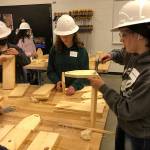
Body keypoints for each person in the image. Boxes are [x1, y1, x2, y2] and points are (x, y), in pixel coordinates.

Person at [88, 0, 150, 150]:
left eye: (124, 34)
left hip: (139, 135)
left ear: (139, 35)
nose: (121, 39)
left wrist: (103, 87)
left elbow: (127, 110)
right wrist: (111, 55)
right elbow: (121, 54)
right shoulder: (134, 53)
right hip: (124, 124)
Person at [47, 14, 89, 96]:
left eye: (67, 35)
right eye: (62, 36)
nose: (64, 39)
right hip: (59, 91)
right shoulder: (54, 50)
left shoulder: (81, 51)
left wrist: (74, 86)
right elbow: (50, 71)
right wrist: (57, 81)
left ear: (74, 33)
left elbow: (85, 74)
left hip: (77, 91)